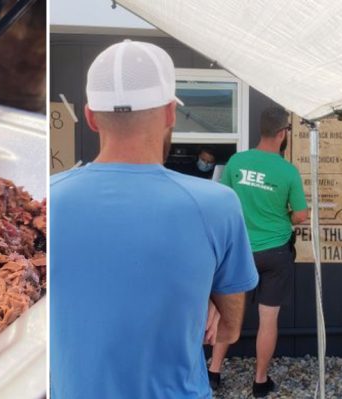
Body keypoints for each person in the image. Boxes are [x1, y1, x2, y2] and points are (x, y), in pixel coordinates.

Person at [50, 39, 259, 399]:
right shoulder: (217, 204)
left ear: (90, 116)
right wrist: (202, 297)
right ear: (169, 113)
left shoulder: (48, 199)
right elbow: (228, 330)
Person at [211, 106, 309, 397]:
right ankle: (260, 382)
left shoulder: (237, 162)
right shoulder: (288, 171)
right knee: (269, 320)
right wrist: (285, 217)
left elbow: (222, 200)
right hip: (275, 254)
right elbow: (301, 215)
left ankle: (214, 373)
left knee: (227, 316)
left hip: (239, 252)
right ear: (282, 134)